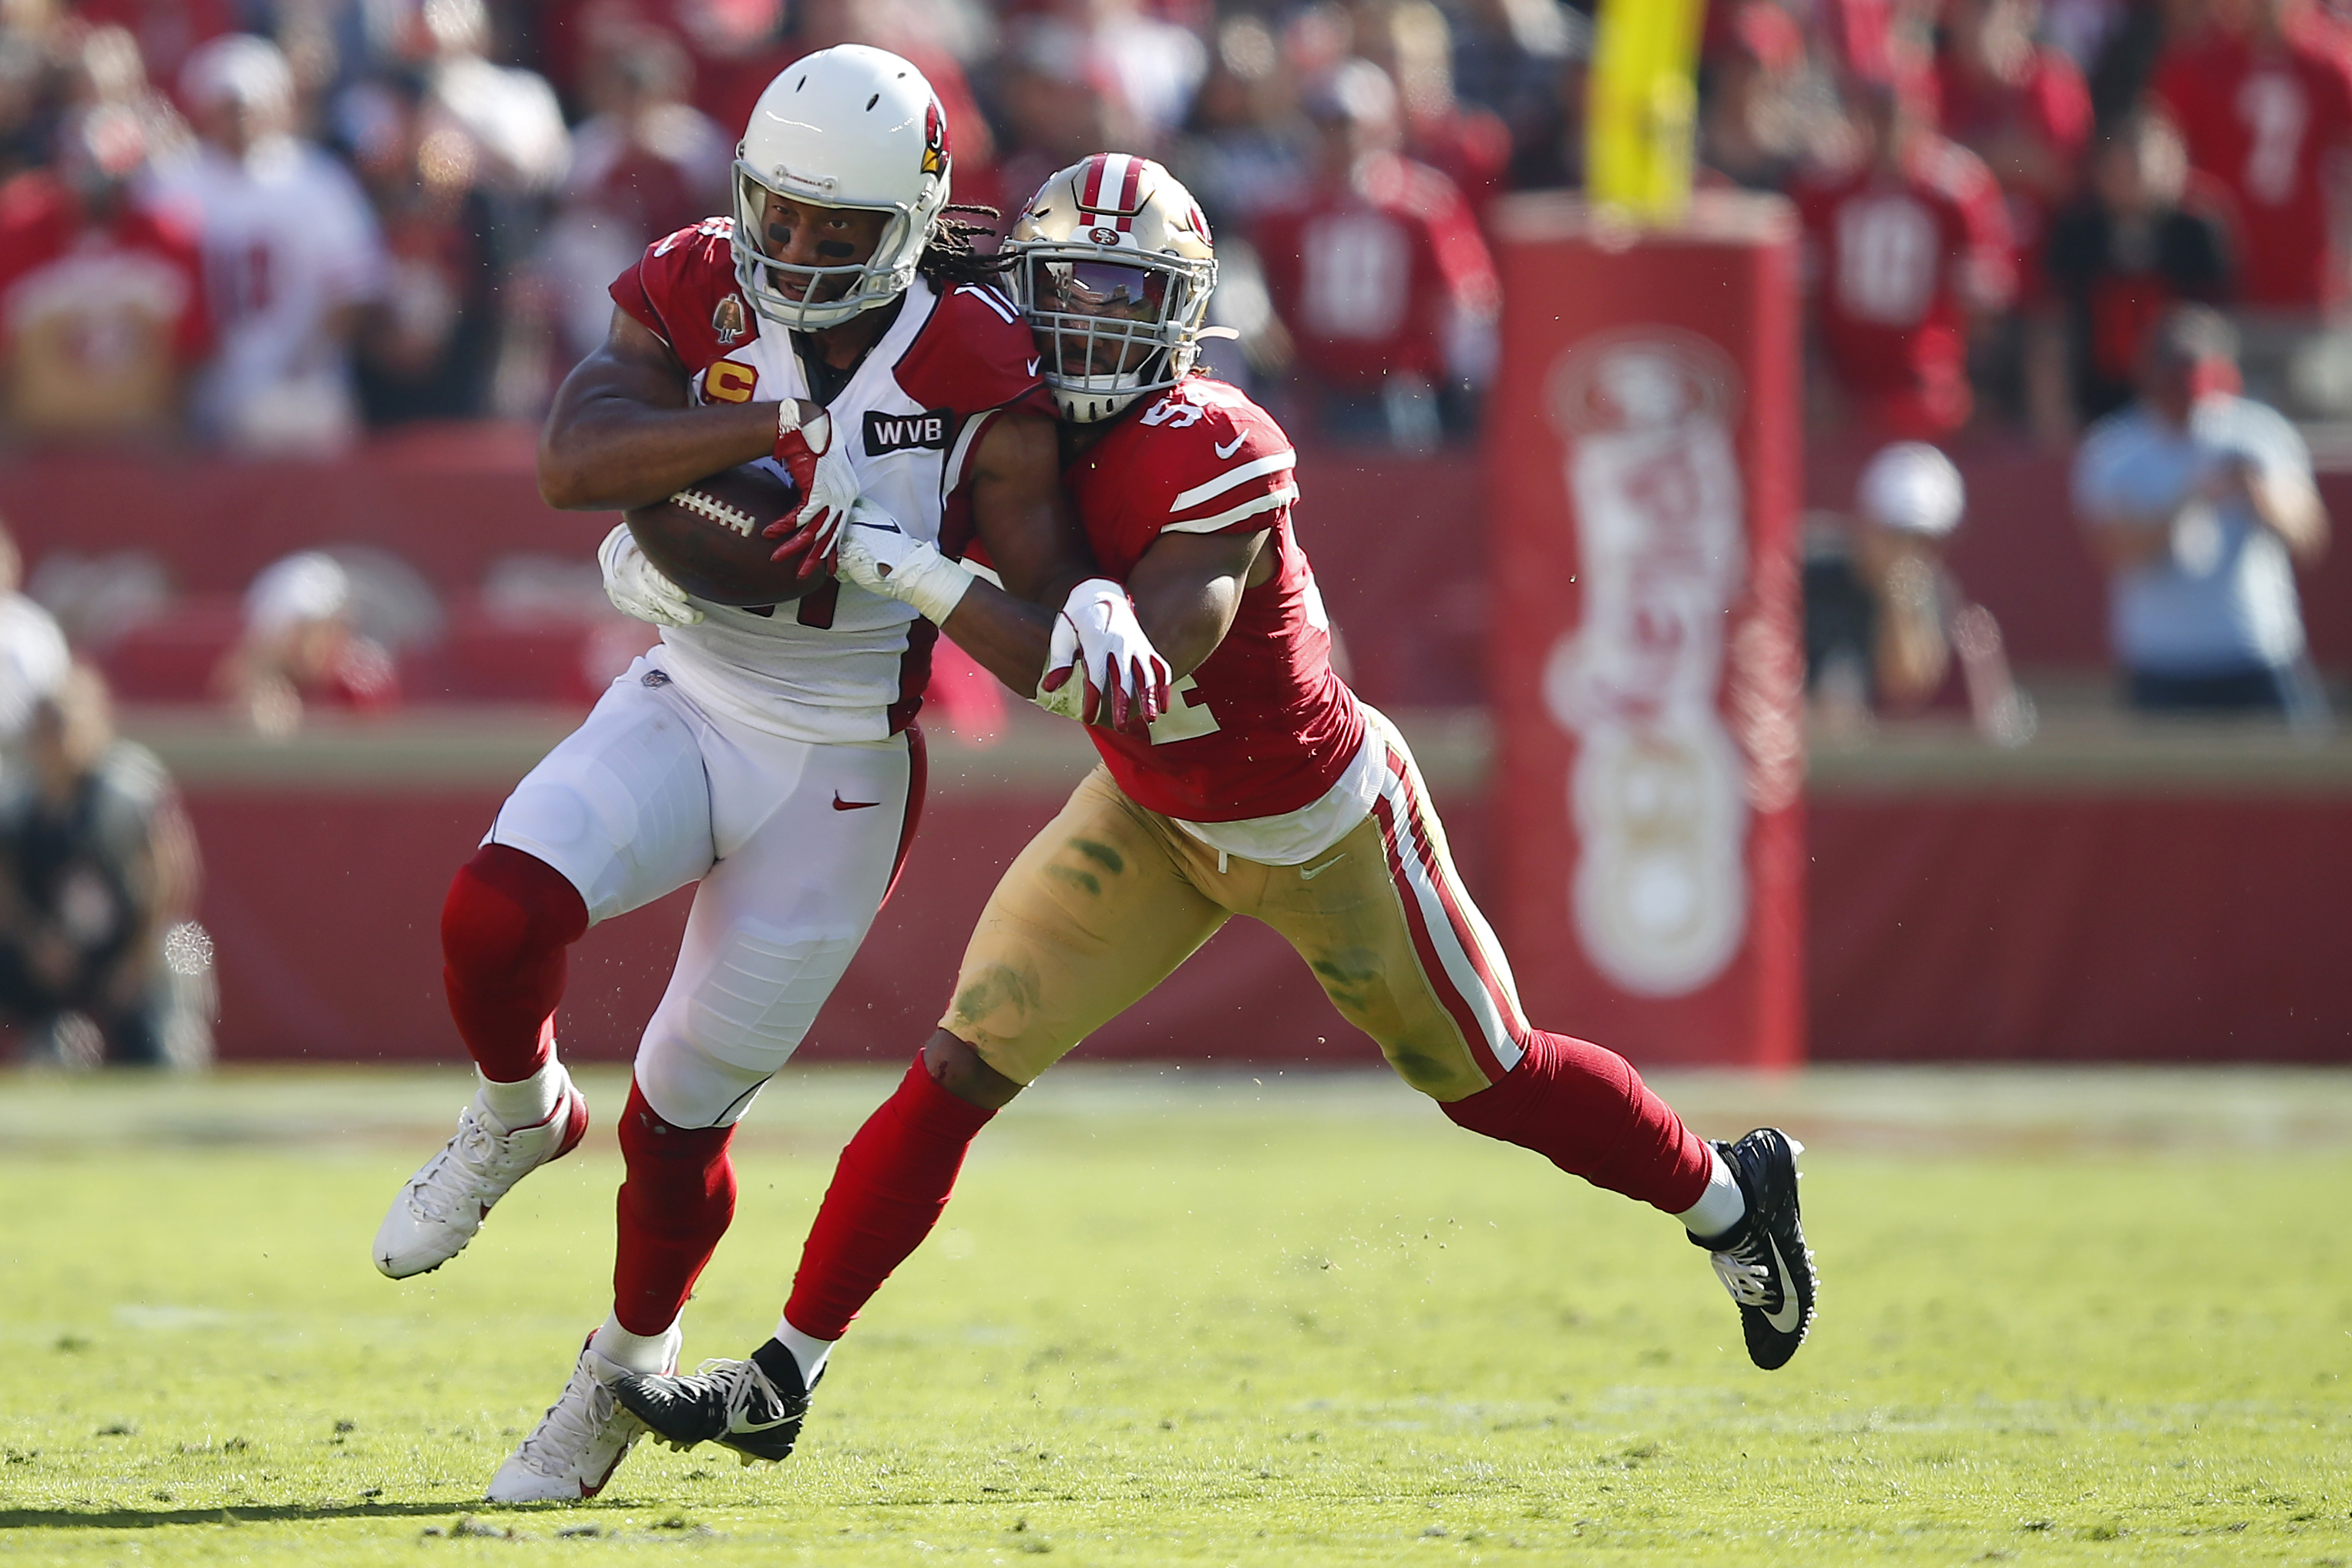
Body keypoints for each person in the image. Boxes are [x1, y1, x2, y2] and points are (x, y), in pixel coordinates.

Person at [600, 156, 1819, 1469]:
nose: (1094, 320)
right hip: (1151, 816)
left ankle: (1727, 1195)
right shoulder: (1002, 406)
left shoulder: (1217, 442)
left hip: (1316, 823)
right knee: (961, 1065)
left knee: (1490, 1078)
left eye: (1130, 293)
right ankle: (787, 1372)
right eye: (1071, 286)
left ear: (1184, 314)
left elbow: (1132, 674)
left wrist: (913, 566)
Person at [365, 46, 1171, 1506]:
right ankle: (512, 1113)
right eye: (777, 216)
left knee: (677, 1116)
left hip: (840, 757)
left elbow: (1041, 606)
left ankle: (621, 1370)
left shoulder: (978, 359)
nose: (793, 251)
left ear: (914, 220)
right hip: (686, 685)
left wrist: (1021, 588)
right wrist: (769, 433)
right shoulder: (694, 277)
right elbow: (576, 458)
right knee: (491, 916)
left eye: (834, 229)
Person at [2072, 304, 2330, 722]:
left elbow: (2309, 537)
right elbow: (2115, 550)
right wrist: (2191, 501)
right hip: (2163, 660)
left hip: (2257, 648)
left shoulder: (2261, 435)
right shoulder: (2114, 450)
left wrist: (2259, 495)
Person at [146, 34, 388, 453]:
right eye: (228, 106)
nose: (240, 119)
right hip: (201, 389)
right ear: (202, 109)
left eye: (251, 105)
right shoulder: (169, 185)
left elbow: (355, 287)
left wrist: (305, 362)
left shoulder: (318, 182)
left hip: (299, 386)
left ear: (278, 105)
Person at [1254, 59, 1500, 448]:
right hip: (1315, 388)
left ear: (1381, 125)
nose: (1338, 140)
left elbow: (1466, 299)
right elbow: (1267, 296)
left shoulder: (1423, 205)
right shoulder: (1283, 209)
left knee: (1405, 500)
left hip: (1400, 390)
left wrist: (1466, 381)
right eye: (1325, 127)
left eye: (1347, 126)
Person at [0, 663, 202, 1068]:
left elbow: (175, 876)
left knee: (185, 946)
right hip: (52, 949)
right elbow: (5, 887)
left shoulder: (127, 791)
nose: (52, 742)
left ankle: (177, 1046)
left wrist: (135, 961)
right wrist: (34, 939)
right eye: (44, 729)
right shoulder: (19, 800)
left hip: (131, 945)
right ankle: (46, 1044)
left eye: (62, 727)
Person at [1793, 75, 2015, 441]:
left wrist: (1965, 379)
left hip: (1926, 389)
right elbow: (1802, 298)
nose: (1886, 130)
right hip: (1841, 387)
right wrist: (1814, 376)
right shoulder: (1823, 188)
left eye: (1896, 116)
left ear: (1923, 116)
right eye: (1875, 116)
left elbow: (1984, 303)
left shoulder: (1956, 188)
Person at [0, 102, 209, 442]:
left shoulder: (171, 237)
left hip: (139, 433)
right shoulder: (17, 233)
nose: (96, 188)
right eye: (86, 172)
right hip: (37, 433)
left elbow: (192, 350)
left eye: (109, 176)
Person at [2028, 109, 2233, 440]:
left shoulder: (2195, 229)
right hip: (2096, 401)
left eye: (2137, 171)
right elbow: (2054, 326)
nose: (2126, 184)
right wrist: (2053, 413)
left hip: (2178, 404)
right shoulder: (2078, 229)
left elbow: (2217, 326)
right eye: (2116, 171)